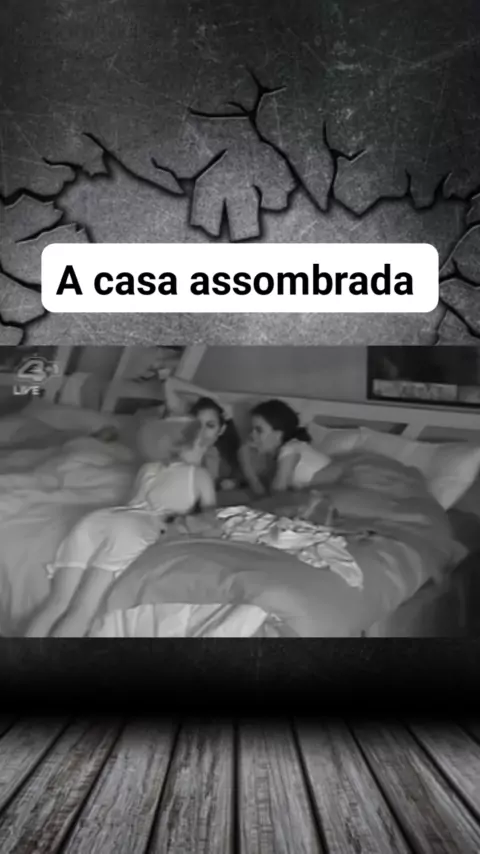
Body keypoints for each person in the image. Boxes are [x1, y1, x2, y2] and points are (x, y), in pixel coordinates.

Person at [24, 417, 216, 638]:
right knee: (83, 611)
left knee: (56, 603)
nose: (204, 450)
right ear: (181, 446)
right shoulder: (200, 475)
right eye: (200, 444)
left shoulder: (147, 469)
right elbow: (210, 520)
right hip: (132, 529)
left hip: (99, 519)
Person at [240, 399, 331, 494]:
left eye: (259, 430)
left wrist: (248, 469)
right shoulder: (283, 452)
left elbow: (277, 494)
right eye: (252, 430)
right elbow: (266, 493)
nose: (252, 435)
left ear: (278, 434)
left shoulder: (289, 449)